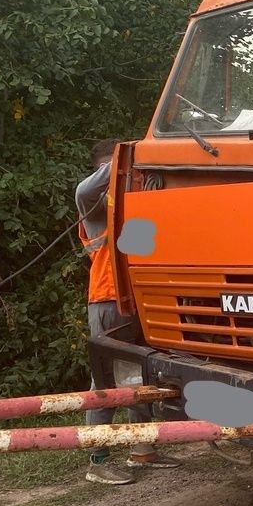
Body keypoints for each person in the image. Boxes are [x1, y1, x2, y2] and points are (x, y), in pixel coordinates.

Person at [77, 139, 182, 485]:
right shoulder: (93, 204)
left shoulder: (133, 203)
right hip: (106, 301)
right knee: (104, 382)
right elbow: (84, 189)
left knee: (139, 377)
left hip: (138, 303)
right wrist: (129, 159)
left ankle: (142, 450)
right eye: (114, 168)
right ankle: (98, 460)